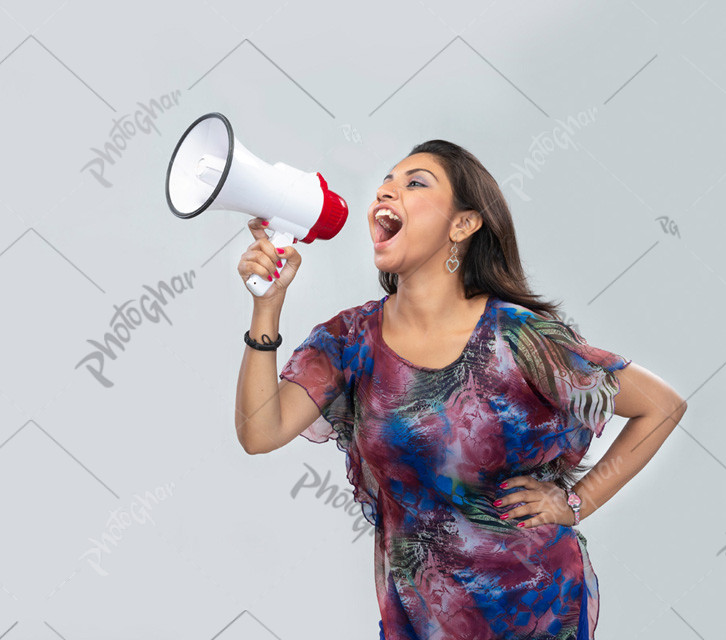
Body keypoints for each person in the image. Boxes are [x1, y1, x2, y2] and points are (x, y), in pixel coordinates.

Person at [234, 140, 686, 640]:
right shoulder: (350, 341)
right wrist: (266, 307)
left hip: (535, 613)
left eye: (415, 182)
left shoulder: (517, 337)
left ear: (463, 225)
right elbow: (259, 430)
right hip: (418, 623)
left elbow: (661, 406)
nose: (387, 190)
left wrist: (575, 502)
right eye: (387, 180)